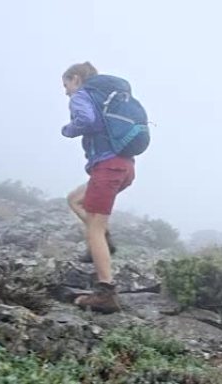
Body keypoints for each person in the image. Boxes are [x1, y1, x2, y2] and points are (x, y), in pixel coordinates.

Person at [61, 61, 136, 314]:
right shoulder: (107, 97)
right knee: (74, 199)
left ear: (76, 79)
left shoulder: (83, 96)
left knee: (95, 226)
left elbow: (87, 120)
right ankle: (105, 239)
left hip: (108, 167)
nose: (66, 92)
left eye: (66, 85)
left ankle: (106, 293)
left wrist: (68, 130)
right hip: (124, 166)